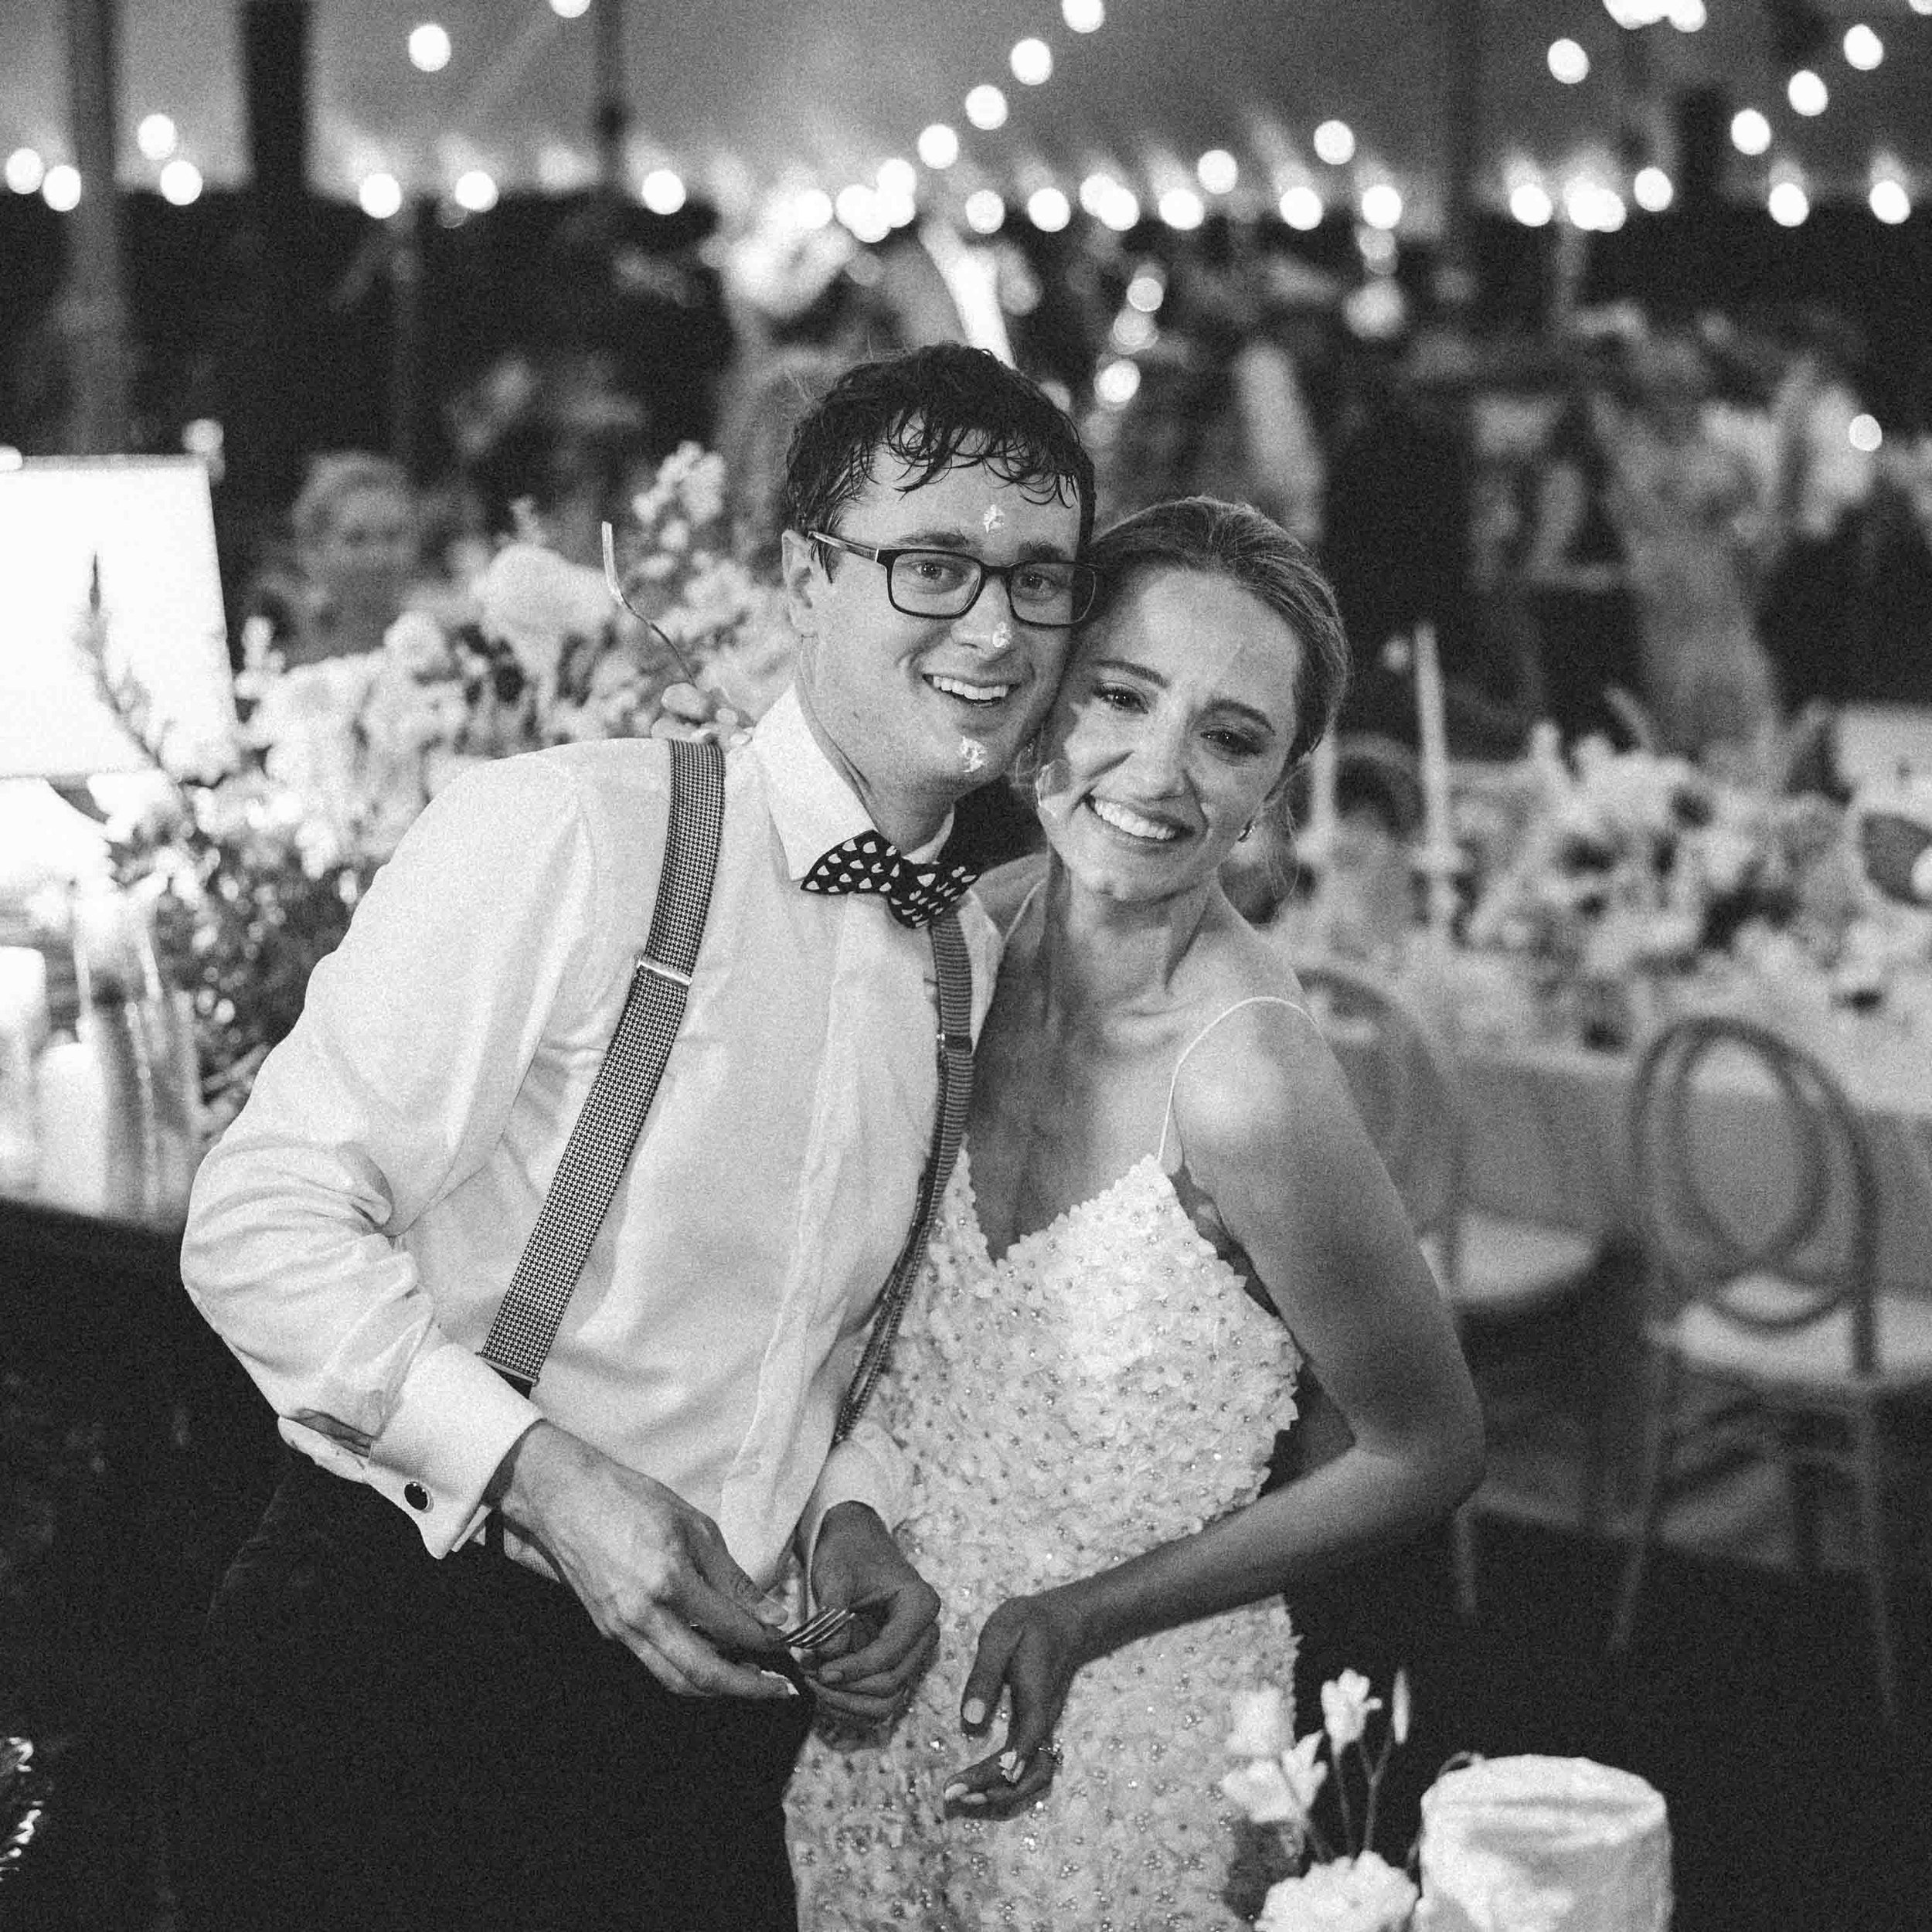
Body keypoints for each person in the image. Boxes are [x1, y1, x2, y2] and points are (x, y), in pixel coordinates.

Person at [171, 342, 1098, 1932]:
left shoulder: (969, 948)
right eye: (931, 564)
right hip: (398, 1659)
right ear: (805, 578)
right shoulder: (576, 829)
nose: (995, 626)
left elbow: (825, 1328)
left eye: (1038, 580)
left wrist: (849, 1508)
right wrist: (537, 1473)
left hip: (696, 1732)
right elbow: (256, 1219)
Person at [782, 498, 1485, 1930]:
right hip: (878, 1689)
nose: (1156, 772)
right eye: (1120, 693)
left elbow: (1429, 1449)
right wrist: (845, 1523)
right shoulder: (947, 938)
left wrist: (1091, 1612)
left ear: (1275, 790)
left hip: (1129, 1732)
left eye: (1230, 736)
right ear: (1045, 698)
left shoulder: (1249, 1085)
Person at [240, 451, 426, 665]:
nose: (379, 557)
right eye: (356, 539)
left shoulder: (447, 650)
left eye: (393, 536)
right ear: (313, 550)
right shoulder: (285, 665)